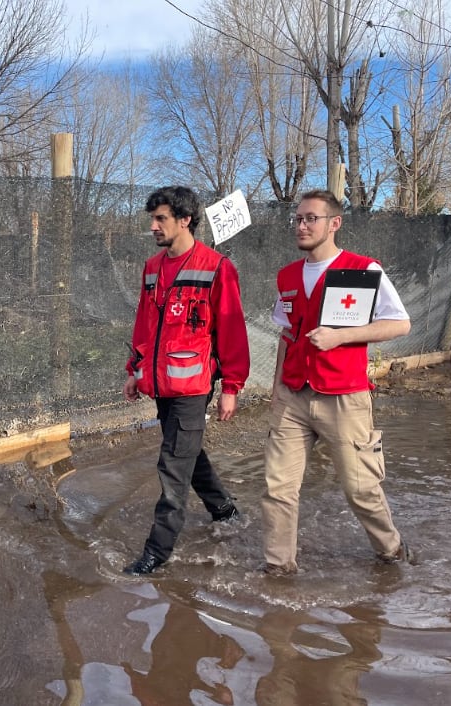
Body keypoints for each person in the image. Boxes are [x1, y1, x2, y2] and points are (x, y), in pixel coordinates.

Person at [262, 188, 412, 576]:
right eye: (297, 218)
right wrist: (277, 392)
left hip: (344, 396)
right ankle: (279, 570)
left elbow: (400, 323)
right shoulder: (287, 276)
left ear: (334, 223)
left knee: (361, 489)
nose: (302, 225)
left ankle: (392, 552)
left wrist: (341, 336)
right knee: (278, 490)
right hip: (293, 396)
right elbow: (286, 335)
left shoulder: (362, 270)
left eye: (311, 218)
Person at [122, 186, 250, 576]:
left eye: (160, 219)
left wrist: (231, 387)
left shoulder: (216, 267)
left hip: (193, 387)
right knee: (186, 451)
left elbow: (231, 330)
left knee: (172, 467)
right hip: (160, 383)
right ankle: (224, 509)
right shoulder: (151, 268)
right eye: (152, 219)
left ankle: (156, 552)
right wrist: (134, 370)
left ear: (185, 220)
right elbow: (145, 324)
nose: (153, 226)